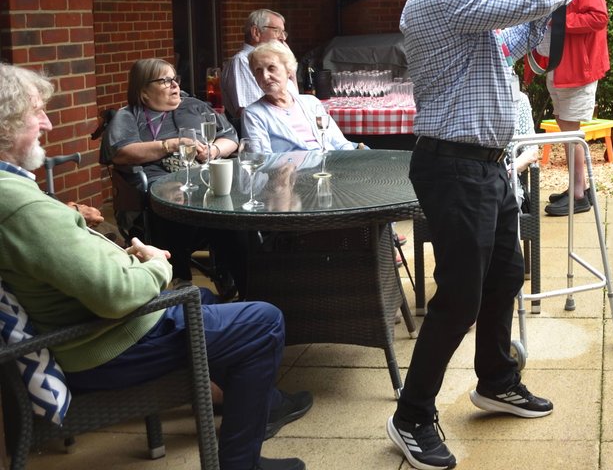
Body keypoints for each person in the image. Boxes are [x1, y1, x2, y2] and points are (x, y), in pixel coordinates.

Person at [0, 63, 310, 470]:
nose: (48, 123)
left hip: (88, 328)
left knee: (203, 297)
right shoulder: (21, 206)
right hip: (101, 345)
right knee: (263, 320)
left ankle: (264, 402)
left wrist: (122, 257)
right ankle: (241, 463)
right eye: (35, 112)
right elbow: (117, 296)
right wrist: (153, 266)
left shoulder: (14, 193)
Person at [387, 0, 588, 470]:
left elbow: (512, 41)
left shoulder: (461, 13)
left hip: (486, 167)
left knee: (505, 275)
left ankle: (496, 380)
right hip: (453, 167)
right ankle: (411, 416)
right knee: (459, 297)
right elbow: (522, 2)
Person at [100, 59, 243, 288]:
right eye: (164, 81)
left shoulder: (195, 105)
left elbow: (230, 137)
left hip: (204, 176)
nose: (174, 85)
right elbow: (121, 153)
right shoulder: (130, 115)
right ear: (143, 90)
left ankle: (234, 273)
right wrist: (170, 145)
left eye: (174, 79)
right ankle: (180, 278)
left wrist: (214, 150)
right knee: (170, 198)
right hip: (159, 183)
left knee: (231, 206)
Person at [517, 0, 610, 216]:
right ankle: (579, 187)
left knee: (571, 130)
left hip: (577, 67)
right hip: (558, 63)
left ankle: (579, 194)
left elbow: (598, 17)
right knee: (565, 124)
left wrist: (557, 22)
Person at [241, 41, 360, 153]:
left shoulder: (311, 103)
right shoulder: (253, 114)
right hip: (293, 172)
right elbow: (261, 160)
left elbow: (340, 143)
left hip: (331, 165)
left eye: (271, 68)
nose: (265, 76)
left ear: (288, 71)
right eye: (258, 71)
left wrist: (350, 162)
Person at [220, 9, 295, 124]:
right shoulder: (242, 61)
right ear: (256, 33)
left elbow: (295, 103)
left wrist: (291, 72)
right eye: (277, 31)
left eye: (283, 32)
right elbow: (248, 113)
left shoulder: (278, 62)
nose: (283, 38)